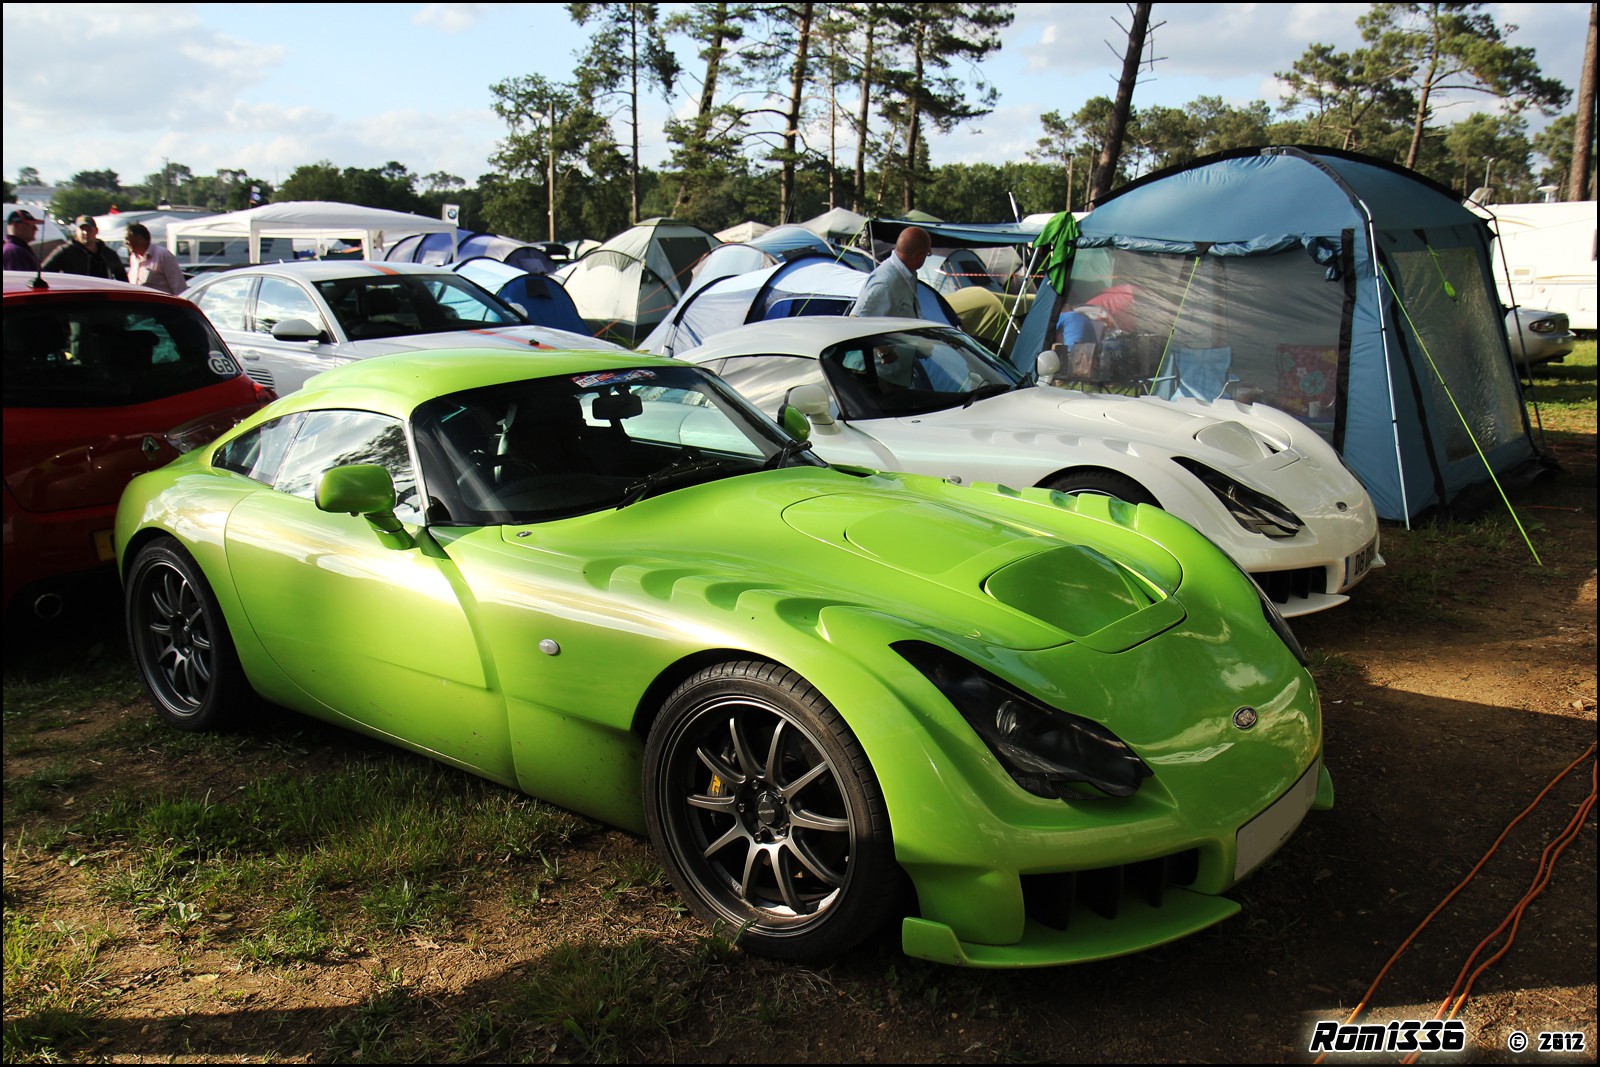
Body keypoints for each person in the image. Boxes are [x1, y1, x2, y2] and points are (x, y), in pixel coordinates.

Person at [849, 226, 931, 318]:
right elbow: (856, 321)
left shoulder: (908, 273)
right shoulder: (884, 283)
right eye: (928, 254)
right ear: (919, 256)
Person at [41, 216, 128, 281]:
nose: (85, 233)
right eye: (82, 229)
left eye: (89, 229)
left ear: (96, 231)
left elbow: (122, 279)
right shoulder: (65, 251)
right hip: (76, 299)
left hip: (103, 299)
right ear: (76, 232)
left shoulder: (108, 253)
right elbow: (44, 273)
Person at [125, 222, 186, 293]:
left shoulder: (162, 255)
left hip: (161, 303)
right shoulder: (133, 258)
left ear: (140, 238)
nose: (126, 242)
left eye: (128, 238)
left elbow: (179, 287)